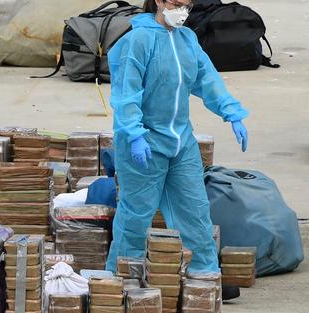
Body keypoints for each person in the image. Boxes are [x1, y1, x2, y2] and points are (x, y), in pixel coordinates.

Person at [105, 0, 249, 276]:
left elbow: (207, 79)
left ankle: (204, 277)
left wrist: (232, 113)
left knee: (195, 213)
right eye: (176, 3)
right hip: (144, 144)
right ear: (159, 1)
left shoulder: (187, 39)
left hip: (181, 143)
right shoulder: (138, 41)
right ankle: (121, 278)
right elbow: (126, 95)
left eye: (188, 5)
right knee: (135, 217)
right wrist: (134, 134)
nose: (182, 11)